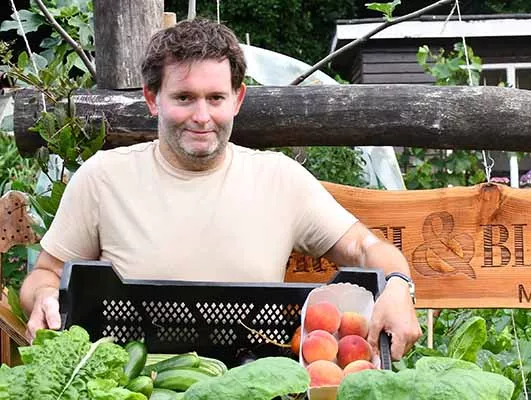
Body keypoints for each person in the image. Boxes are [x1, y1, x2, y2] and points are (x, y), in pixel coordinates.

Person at [19, 19, 421, 360]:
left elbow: (366, 248)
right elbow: (45, 275)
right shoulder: (103, 178)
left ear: (237, 99)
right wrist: (45, 299)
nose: (201, 116)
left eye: (215, 98)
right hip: (131, 381)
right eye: (184, 98)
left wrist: (399, 286)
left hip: (252, 379)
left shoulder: (281, 180)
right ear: (152, 99)